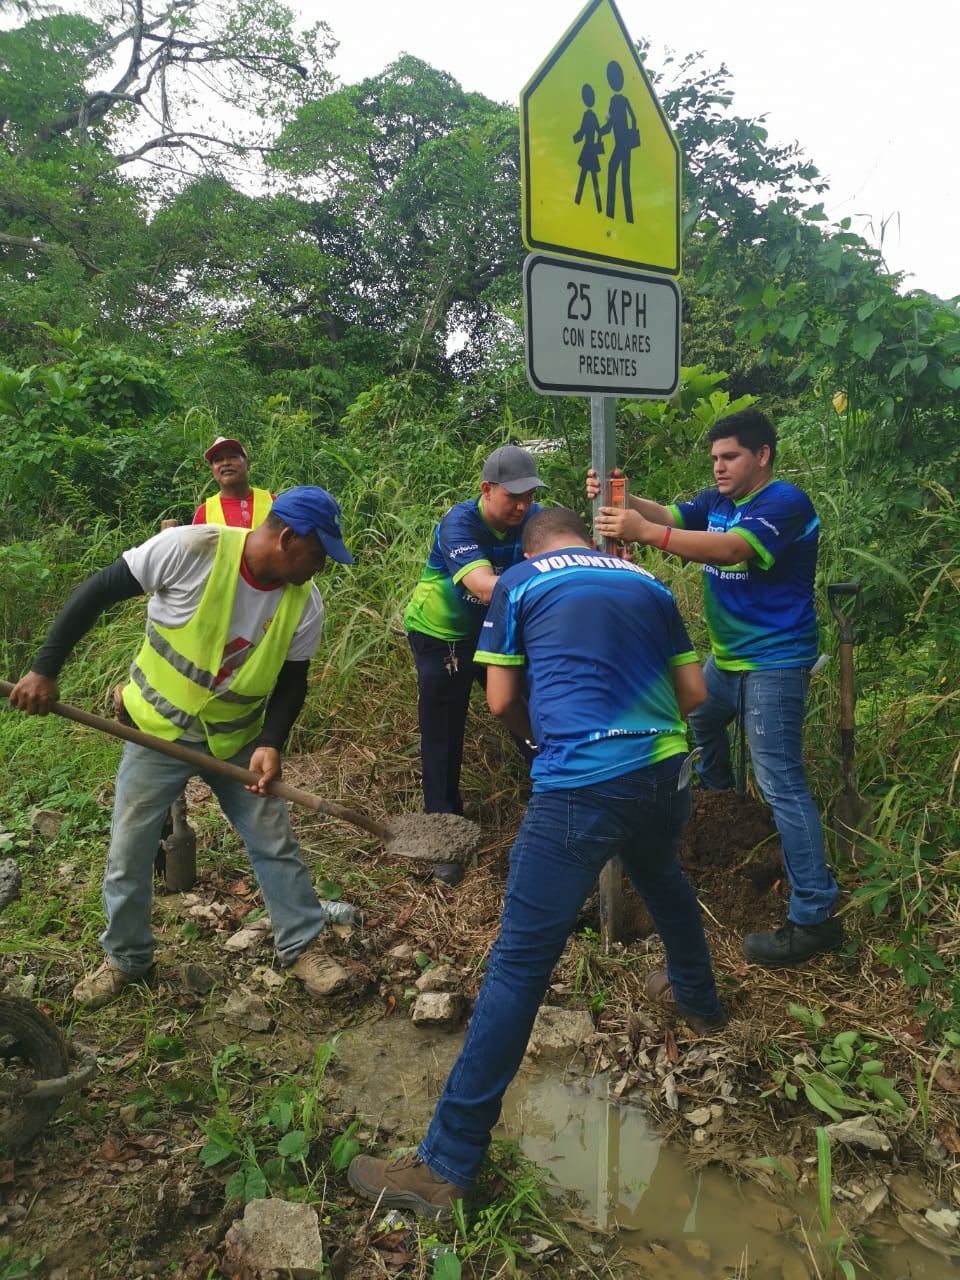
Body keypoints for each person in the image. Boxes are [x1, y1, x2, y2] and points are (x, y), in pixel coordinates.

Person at [348, 508, 725, 1220]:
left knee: (520, 963)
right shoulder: (647, 581)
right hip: (666, 771)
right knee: (662, 875)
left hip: (581, 783)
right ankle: (698, 999)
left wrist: (544, 741)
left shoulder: (519, 582)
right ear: (585, 539)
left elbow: (498, 701)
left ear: (531, 546)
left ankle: (446, 1163)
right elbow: (695, 694)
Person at [7, 487, 359, 1010]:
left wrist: (271, 742)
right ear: (287, 538)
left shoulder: (303, 600)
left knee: (273, 839)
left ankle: (304, 946)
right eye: (319, 553)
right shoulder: (190, 549)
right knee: (129, 850)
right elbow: (96, 591)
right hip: (156, 733)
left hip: (235, 741)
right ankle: (127, 958)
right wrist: (43, 669)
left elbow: (293, 680)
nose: (322, 566)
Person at [589, 407, 842, 968]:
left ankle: (814, 914)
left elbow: (732, 550)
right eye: (715, 459)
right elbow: (672, 513)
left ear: (762, 456)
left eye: (730, 457)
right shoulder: (718, 501)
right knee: (700, 722)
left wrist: (646, 532)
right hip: (726, 663)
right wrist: (624, 501)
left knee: (782, 783)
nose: (720, 467)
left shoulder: (785, 503)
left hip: (774, 662)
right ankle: (729, 813)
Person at [403, 445, 546, 885]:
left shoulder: (535, 519)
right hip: (442, 635)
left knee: (530, 711)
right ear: (487, 489)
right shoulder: (459, 522)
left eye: (529, 496)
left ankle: (555, 798)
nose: (522, 505)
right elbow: (484, 586)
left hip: (496, 632)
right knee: (443, 735)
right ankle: (445, 840)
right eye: (513, 496)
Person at [193, 436, 274, 528]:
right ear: (212, 470)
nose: (225, 463)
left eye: (232, 457)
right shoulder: (204, 513)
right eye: (218, 460)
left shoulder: (274, 502)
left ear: (248, 464)